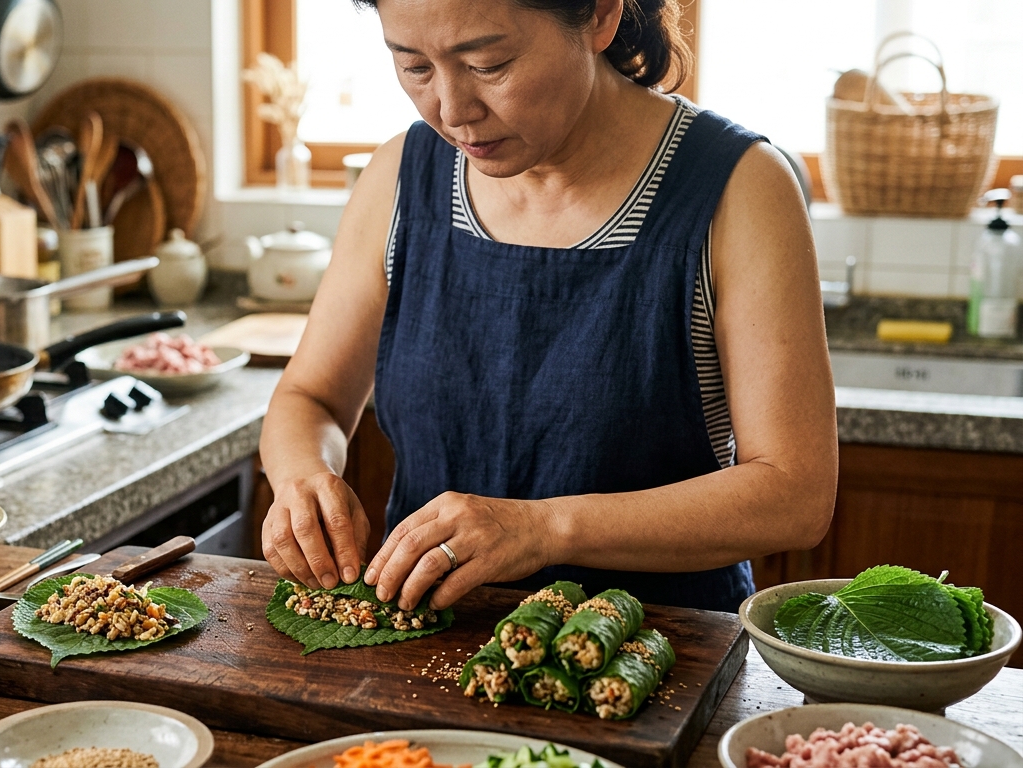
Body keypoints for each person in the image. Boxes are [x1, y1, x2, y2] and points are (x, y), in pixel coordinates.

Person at [258, 0, 837, 614]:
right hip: (424, 644)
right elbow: (310, 398)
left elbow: (794, 495)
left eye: (489, 63)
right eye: (415, 67)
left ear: (600, 17)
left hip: (662, 660)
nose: (453, 112)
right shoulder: (401, 175)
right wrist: (302, 477)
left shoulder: (739, 187)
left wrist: (543, 528)